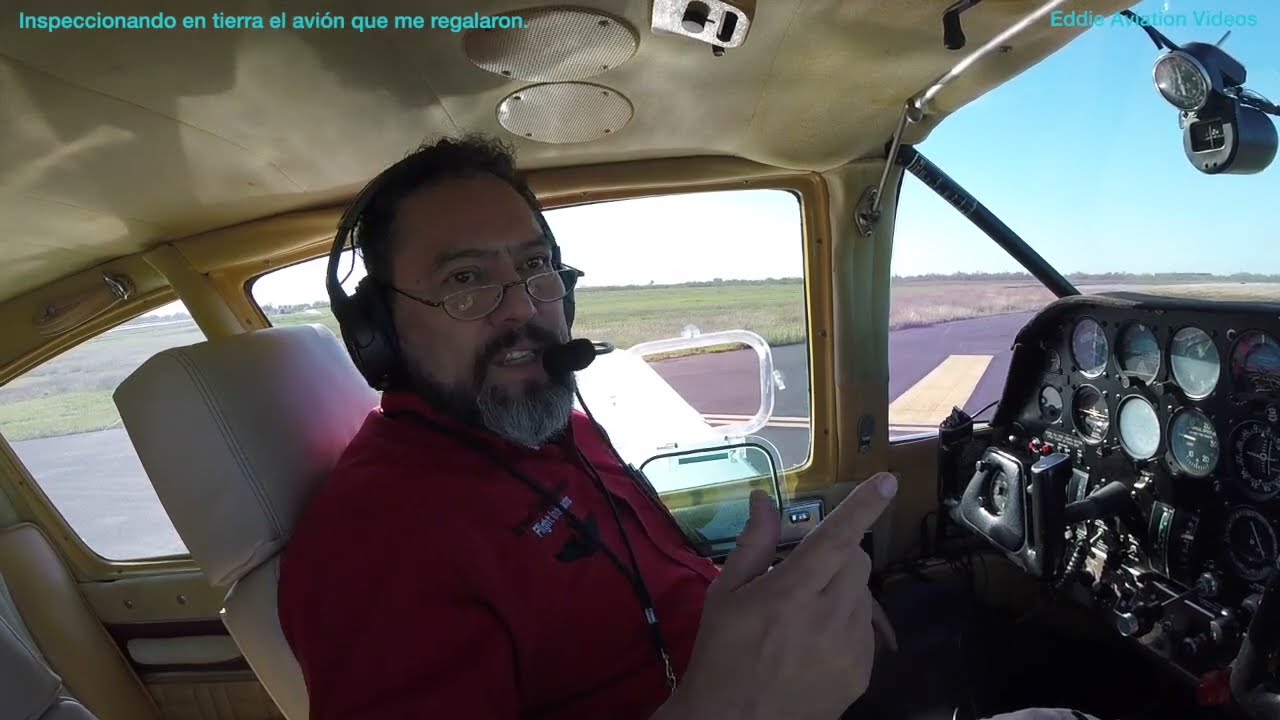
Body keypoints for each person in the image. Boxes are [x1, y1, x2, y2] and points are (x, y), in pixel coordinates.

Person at [275, 135, 1101, 720]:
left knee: (980, 627)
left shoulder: (547, 425)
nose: (525, 309)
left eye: (534, 266)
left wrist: (794, 603)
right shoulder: (376, 540)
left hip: (762, 673)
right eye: (465, 281)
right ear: (379, 332)